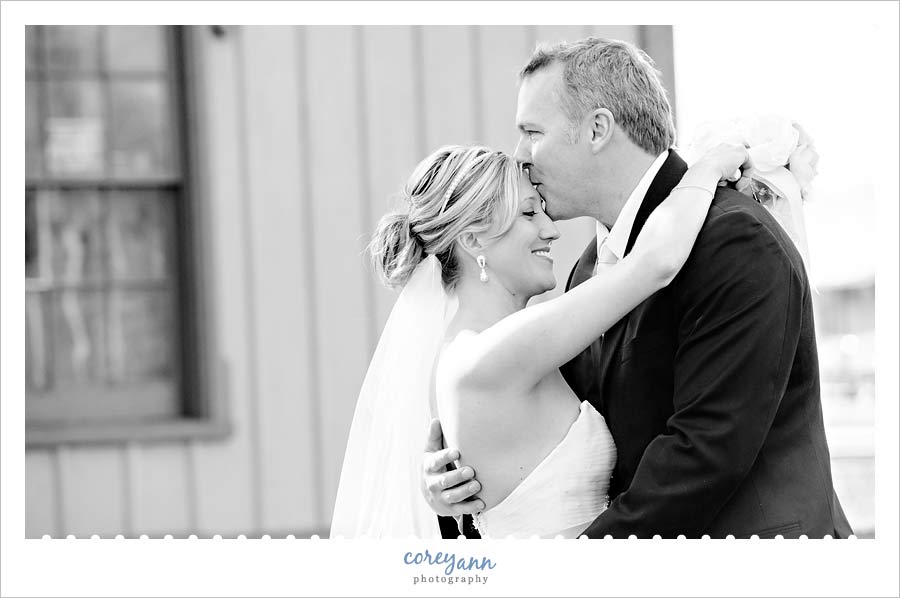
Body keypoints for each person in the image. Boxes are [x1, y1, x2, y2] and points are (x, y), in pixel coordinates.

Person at [422, 37, 853, 539]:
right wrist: (464, 481)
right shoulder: (587, 270)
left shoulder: (733, 238)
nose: (520, 156)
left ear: (597, 129)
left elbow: (705, 451)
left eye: (533, 132)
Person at [330, 141, 748, 538]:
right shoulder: (488, 354)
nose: (551, 230)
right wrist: (708, 167)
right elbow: (656, 262)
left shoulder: (493, 350)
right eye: (529, 213)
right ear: (472, 239)